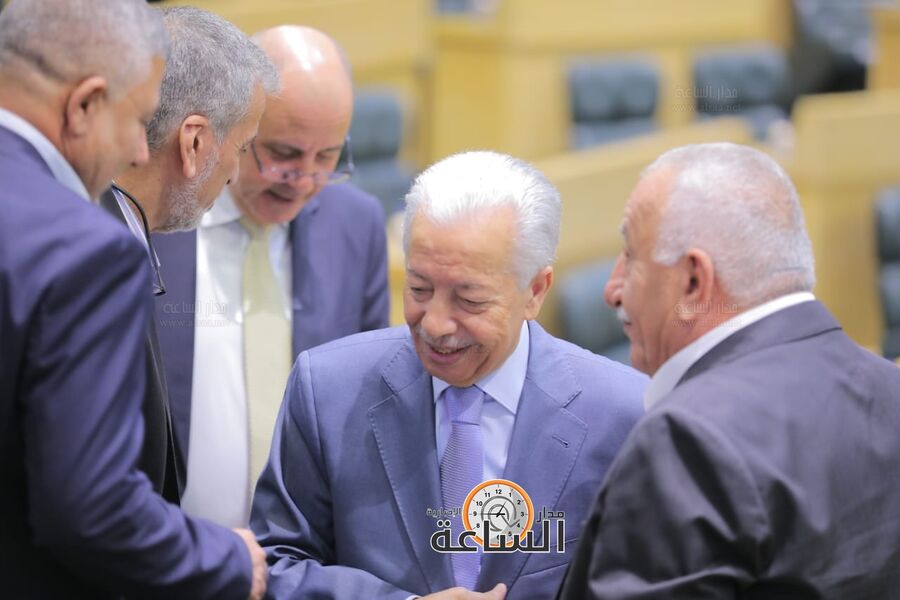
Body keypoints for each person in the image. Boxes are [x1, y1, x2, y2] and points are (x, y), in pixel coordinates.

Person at [250, 150, 646, 600]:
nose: (435, 324)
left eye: (469, 300)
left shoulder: (625, 414)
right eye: (419, 289)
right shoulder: (326, 391)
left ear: (535, 291)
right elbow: (274, 565)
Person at [0, 1, 266, 598]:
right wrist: (226, 560)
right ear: (84, 105)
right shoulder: (84, 250)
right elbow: (90, 508)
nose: (140, 152)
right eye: (138, 120)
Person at [556, 143, 900, 599]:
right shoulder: (889, 388)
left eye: (632, 256)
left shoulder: (686, 442)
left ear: (693, 281)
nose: (612, 289)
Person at [154, 25, 389, 528]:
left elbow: (368, 406)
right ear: (237, 128)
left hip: (303, 556)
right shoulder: (153, 217)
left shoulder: (357, 225)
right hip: (165, 549)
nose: (303, 180)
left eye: (327, 156)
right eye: (283, 153)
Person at [98, 6, 277, 504]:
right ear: (194, 141)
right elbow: (96, 499)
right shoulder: (97, 268)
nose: (235, 174)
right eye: (242, 148)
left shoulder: (105, 231)